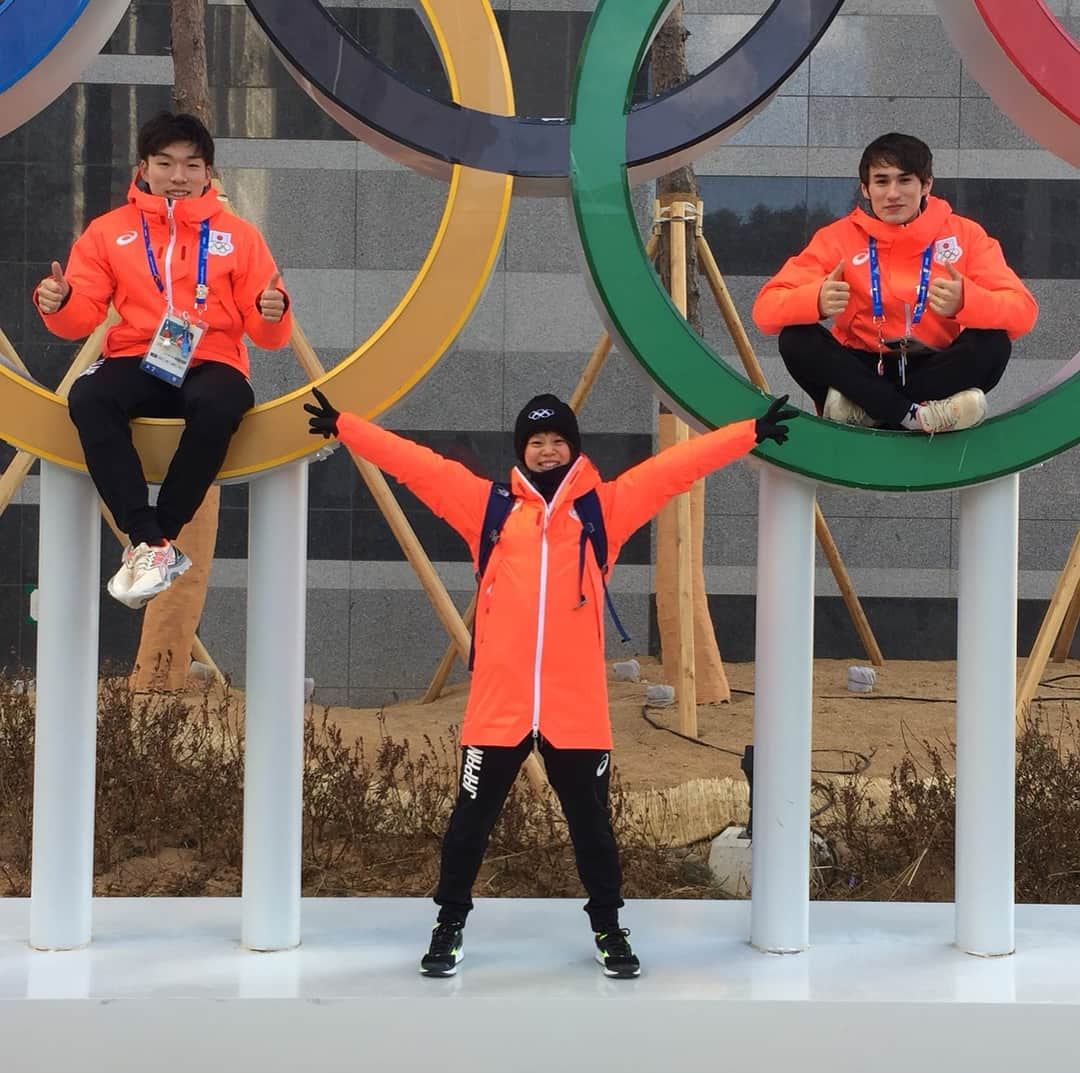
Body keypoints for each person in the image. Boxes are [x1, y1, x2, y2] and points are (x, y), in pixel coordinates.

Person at [305, 385, 798, 978]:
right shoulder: (488, 508)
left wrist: (747, 433)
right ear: (521, 450)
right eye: (535, 441)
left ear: (572, 449)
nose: (545, 450)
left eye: (557, 441)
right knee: (469, 825)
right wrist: (347, 426)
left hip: (576, 708)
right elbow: (418, 467)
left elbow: (675, 468)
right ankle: (449, 925)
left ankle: (610, 928)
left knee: (592, 829)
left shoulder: (602, 509)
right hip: (499, 705)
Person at [34, 111, 292, 608]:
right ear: (144, 167)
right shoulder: (110, 232)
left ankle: (156, 539)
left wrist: (271, 312)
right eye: (166, 163)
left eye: (192, 165)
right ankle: (150, 541)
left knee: (223, 401)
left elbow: (266, 331)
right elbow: (83, 311)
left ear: (208, 173)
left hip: (212, 358)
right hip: (137, 354)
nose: (178, 176)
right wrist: (60, 300)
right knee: (88, 395)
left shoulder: (238, 236)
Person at [752, 132, 1037, 434]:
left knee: (993, 343)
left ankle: (871, 412)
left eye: (904, 180)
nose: (892, 193)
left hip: (933, 368)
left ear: (926, 185)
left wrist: (967, 302)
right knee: (796, 338)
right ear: (865, 189)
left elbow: (1023, 313)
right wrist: (815, 301)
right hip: (862, 369)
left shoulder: (965, 235)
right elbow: (765, 312)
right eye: (881, 181)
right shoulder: (837, 238)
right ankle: (918, 416)